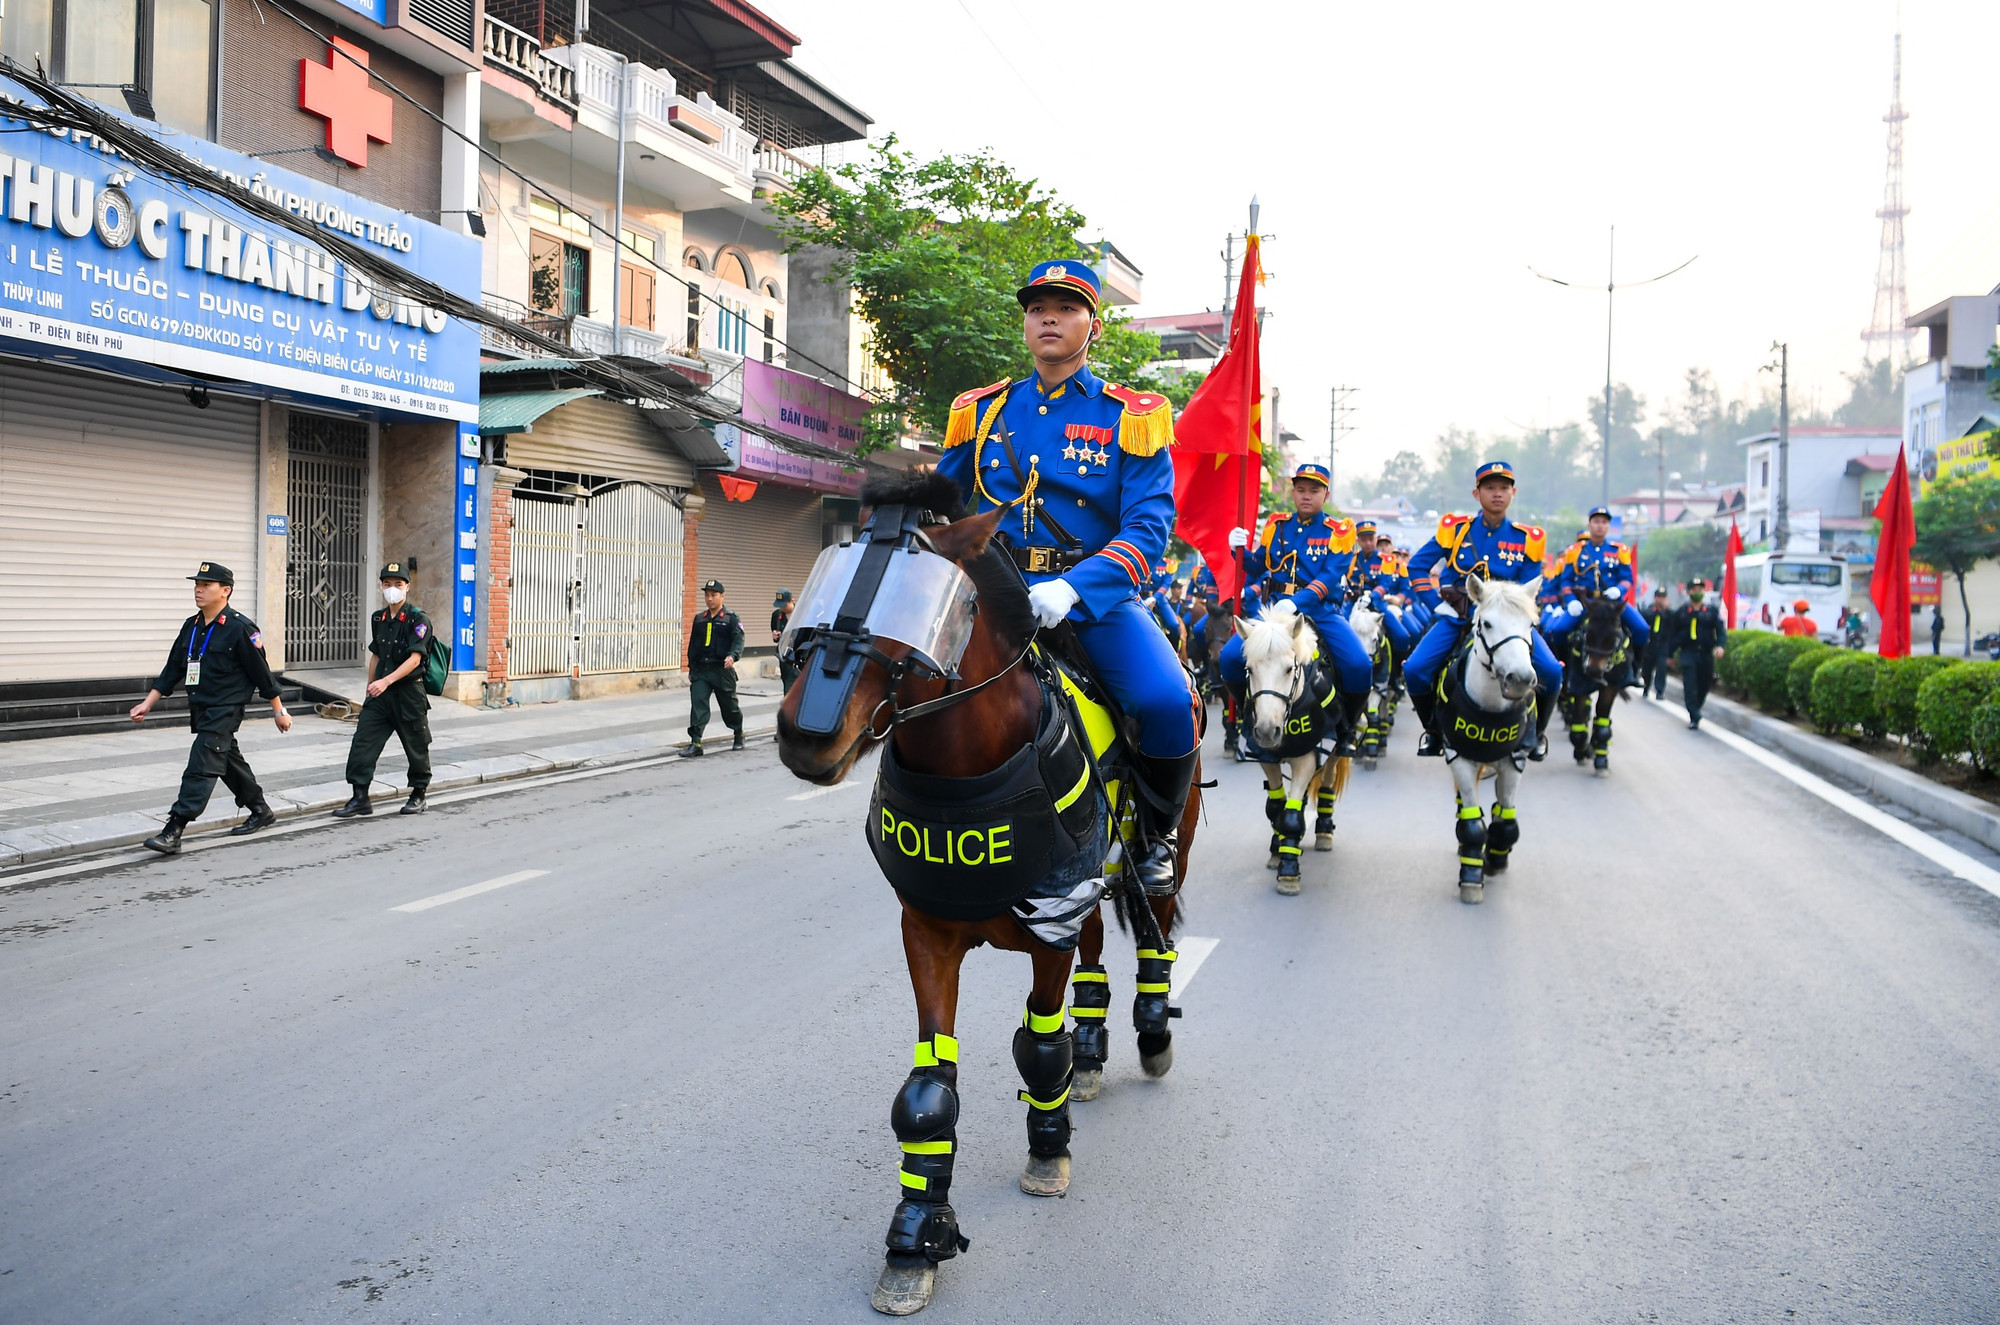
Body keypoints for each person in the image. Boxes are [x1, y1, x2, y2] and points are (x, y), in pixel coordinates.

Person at [936, 258, 1197, 892]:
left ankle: (1155, 838)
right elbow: (939, 504)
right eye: (1035, 308)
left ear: (1093, 326)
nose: (1048, 316)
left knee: (1166, 704)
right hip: (988, 596)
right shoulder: (983, 410)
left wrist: (1076, 587)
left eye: (1066, 307)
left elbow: (1147, 529)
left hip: (1088, 598)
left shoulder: (1130, 415)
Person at [128, 561, 292, 853]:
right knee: (226, 759)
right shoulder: (191, 626)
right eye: (196, 585)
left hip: (226, 708)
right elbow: (172, 670)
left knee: (202, 764)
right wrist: (147, 703)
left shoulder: (241, 628)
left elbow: (262, 673)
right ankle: (260, 809)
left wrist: (279, 711)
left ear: (225, 591)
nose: (198, 590)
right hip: (202, 707)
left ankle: (174, 829)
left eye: (206, 585)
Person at [1405, 461, 1563, 758]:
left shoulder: (1527, 538)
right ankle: (1433, 732)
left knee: (1552, 672)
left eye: (1504, 488)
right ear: (1477, 494)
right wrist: (1437, 606)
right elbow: (1417, 566)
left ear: (1513, 493)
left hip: (1506, 624)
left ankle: (1535, 733)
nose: (1497, 494)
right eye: (1490, 488)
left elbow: (1529, 587)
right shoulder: (1455, 530)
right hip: (1459, 616)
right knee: (1415, 670)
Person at [1218, 462, 1375, 748]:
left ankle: (1347, 728)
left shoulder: (1338, 530)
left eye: (1314, 491)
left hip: (1320, 611)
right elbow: (1256, 567)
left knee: (1359, 665)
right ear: (1293, 492)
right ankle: (1247, 713)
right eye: (1300, 489)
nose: (1306, 495)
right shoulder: (1277, 525)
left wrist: (1297, 602)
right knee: (1229, 658)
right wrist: (1236, 548)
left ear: (1325, 495)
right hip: (1275, 612)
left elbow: (1329, 577)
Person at [333, 562, 435, 818]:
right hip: (380, 695)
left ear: (407, 587)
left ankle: (418, 795)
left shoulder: (417, 618)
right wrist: (370, 686)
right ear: (381, 586)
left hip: (409, 693)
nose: (392, 589)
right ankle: (359, 798)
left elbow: (414, 659)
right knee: (363, 743)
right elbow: (376, 655)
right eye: (387, 584)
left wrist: (386, 681)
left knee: (416, 745)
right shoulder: (378, 618)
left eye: (398, 585)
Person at [1546, 506, 1653, 653]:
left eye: (1604, 522)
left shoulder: (1619, 550)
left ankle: (1636, 669)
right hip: (1586, 603)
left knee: (1641, 629)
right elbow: (1566, 581)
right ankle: (1564, 669)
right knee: (1558, 630)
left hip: (1612, 604)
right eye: (1596, 521)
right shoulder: (1575, 551)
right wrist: (1571, 601)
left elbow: (1627, 579)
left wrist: (1618, 590)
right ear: (1589, 525)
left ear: (1609, 526)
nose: (1600, 525)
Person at [681, 579, 743, 756]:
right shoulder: (700, 618)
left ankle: (738, 733)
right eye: (707, 595)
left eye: (713, 595)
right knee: (698, 705)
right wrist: (691, 668)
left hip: (722, 671)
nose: (709, 599)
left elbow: (739, 640)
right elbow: (693, 645)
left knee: (729, 707)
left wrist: (733, 656)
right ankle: (696, 743)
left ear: (722, 596)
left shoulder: (732, 618)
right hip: (702, 671)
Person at [1670, 577, 1727, 728]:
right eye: (1694, 589)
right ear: (1688, 592)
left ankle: (1697, 707)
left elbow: (1721, 631)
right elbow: (1673, 634)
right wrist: (1670, 654)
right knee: (1690, 685)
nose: (1697, 592)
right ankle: (1694, 715)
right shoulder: (1682, 612)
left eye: (1700, 589)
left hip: (1706, 654)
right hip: (1688, 653)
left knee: (1704, 684)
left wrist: (1720, 646)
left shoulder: (1711, 612)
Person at [1640, 587, 1673, 699]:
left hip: (1663, 645)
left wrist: (1665, 610)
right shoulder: (1648, 612)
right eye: (1659, 597)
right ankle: (1646, 686)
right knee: (1647, 668)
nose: (1660, 600)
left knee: (1661, 668)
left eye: (1663, 597)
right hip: (1650, 644)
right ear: (1655, 598)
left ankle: (1660, 691)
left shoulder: (1669, 614)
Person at [772, 590, 799, 694]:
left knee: (795, 687)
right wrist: (776, 636)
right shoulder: (777, 615)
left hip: (799, 655)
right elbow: (776, 637)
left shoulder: (802, 613)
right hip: (784, 656)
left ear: (792, 601)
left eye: (784, 605)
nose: (782, 608)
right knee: (787, 685)